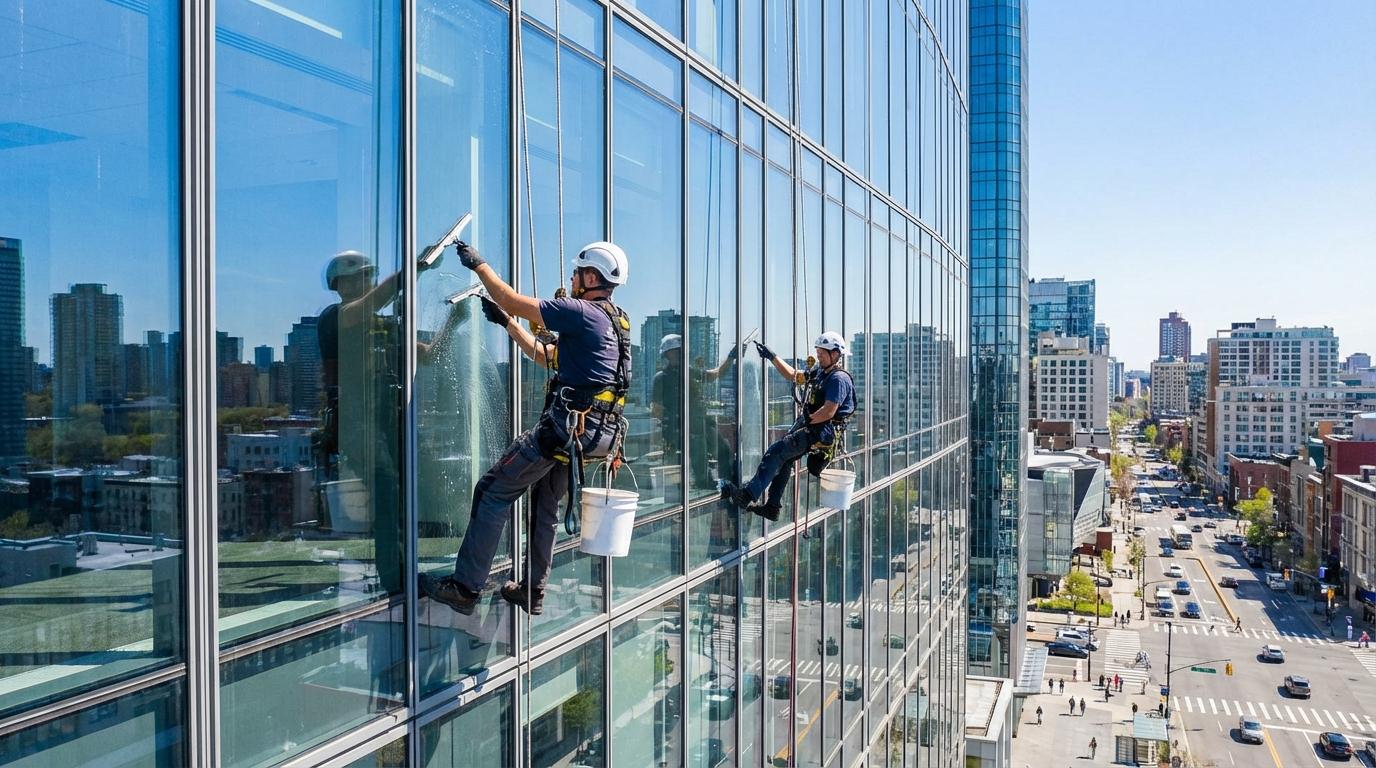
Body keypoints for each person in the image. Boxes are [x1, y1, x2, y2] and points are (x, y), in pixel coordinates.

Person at [424, 240, 633, 616]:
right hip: (595, 435)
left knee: (492, 491)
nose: (571, 280)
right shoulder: (615, 321)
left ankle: (465, 588)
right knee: (544, 503)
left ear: (591, 277)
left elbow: (512, 299)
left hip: (566, 431)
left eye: (576, 274)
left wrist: (479, 264)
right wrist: (507, 323)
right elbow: (544, 355)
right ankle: (532, 590)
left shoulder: (581, 312)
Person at [317, 249, 457, 594]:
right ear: (340, 286)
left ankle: (405, 571)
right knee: (387, 488)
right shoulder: (335, 317)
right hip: (356, 418)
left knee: (407, 488)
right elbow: (373, 301)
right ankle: (395, 578)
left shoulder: (382, 325)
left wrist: (454, 320)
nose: (367, 283)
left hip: (387, 417)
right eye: (359, 278)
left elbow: (427, 355)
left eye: (368, 276)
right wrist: (415, 269)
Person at [721, 332, 856, 520]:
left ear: (835, 354)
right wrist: (772, 356)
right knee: (784, 460)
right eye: (818, 353)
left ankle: (747, 495)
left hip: (819, 431)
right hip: (814, 427)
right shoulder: (821, 373)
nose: (818, 357)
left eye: (822, 353)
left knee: (776, 452)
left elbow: (828, 411)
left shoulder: (838, 379)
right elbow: (794, 375)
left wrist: (807, 421)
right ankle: (772, 507)